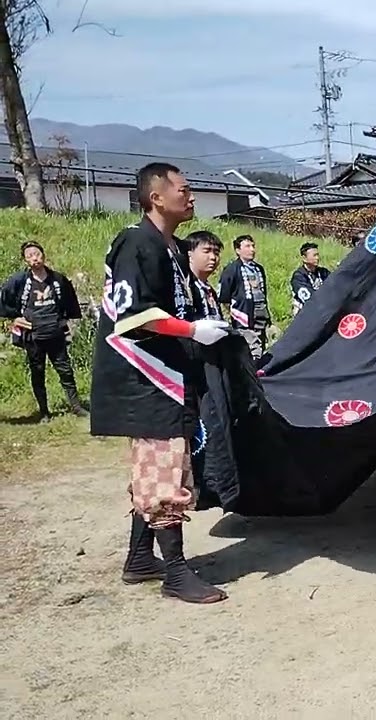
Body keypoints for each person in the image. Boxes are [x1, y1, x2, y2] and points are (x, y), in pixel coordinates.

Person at [90, 162, 232, 604]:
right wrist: (192, 332)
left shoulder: (171, 247)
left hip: (169, 372)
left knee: (154, 470)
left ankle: (138, 558)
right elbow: (135, 318)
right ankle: (174, 572)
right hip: (145, 376)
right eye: (184, 190)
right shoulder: (137, 242)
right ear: (157, 196)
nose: (191, 198)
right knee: (163, 470)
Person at [0, 242, 86, 420]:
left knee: (66, 371)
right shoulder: (19, 281)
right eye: (30, 255)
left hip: (55, 332)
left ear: (43, 255)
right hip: (33, 335)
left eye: (37, 254)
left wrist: (65, 318)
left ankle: (76, 407)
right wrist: (14, 317)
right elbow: (4, 298)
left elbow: (70, 301)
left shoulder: (58, 279)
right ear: (25, 260)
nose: (34, 258)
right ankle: (44, 411)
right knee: (37, 373)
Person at [217, 234, 271, 360]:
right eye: (247, 246)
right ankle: (253, 371)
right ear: (238, 250)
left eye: (253, 246)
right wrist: (231, 312)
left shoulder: (258, 268)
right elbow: (224, 295)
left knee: (261, 341)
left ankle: (259, 368)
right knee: (251, 345)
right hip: (243, 313)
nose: (252, 249)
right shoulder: (231, 269)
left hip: (260, 310)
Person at [187, 231, 224, 320]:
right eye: (206, 251)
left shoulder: (210, 290)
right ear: (189, 254)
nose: (213, 257)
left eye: (216, 253)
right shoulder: (185, 287)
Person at [289, 242, 330, 315]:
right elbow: (307, 297)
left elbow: (334, 286)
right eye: (314, 255)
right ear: (304, 258)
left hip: (324, 309)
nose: (317, 258)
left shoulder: (324, 272)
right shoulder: (298, 276)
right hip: (304, 312)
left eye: (317, 255)